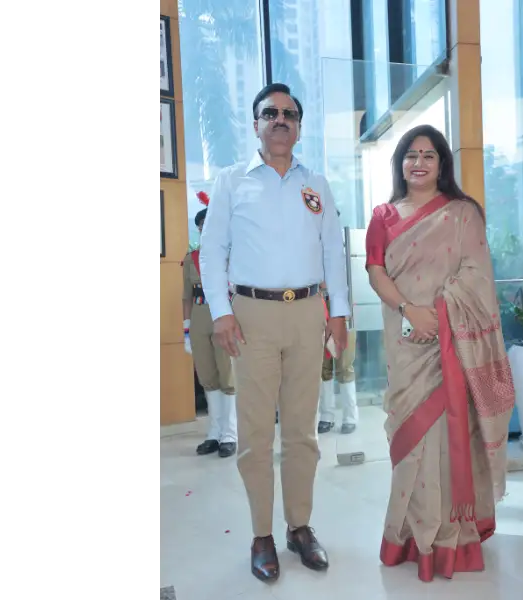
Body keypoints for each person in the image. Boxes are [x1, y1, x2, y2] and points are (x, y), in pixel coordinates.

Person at [199, 82, 350, 583]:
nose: (280, 120)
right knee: (257, 433)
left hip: (307, 312)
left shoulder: (316, 184)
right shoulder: (231, 181)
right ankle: (261, 534)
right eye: (271, 113)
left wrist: (338, 312)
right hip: (252, 316)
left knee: (303, 431)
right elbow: (212, 251)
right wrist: (221, 313)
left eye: (289, 114)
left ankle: (299, 527)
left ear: (299, 127)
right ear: (256, 124)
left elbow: (333, 250)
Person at [364, 124, 515, 582]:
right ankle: (410, 534)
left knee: (447, 439)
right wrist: (412, 312)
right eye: (411, 155)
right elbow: (375, 272)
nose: (419, 163)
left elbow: (476, 274)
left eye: (429, 155)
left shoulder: (463, 213)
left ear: (442, 164)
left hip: (450, 343)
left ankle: (452, 536)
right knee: (410, 442)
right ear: (400, 163)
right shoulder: (384, 216)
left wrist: (441, 314)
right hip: (406, 344)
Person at [182, 192, 238, 458]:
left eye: (209, 225)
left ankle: (230, 434)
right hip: (199, 317)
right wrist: (186, 329)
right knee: (207, 376)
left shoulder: (231, 256)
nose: (205, 229)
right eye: (201, 226)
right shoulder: (191, 258)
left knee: (227, 376)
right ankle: (214, 433)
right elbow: (186, 296)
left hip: (223, 315)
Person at [317, 279, 359, 434]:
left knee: (344, 366)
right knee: (323, 368)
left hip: (341, 305)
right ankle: (327, 416)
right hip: (318, 304)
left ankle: (350, 417)